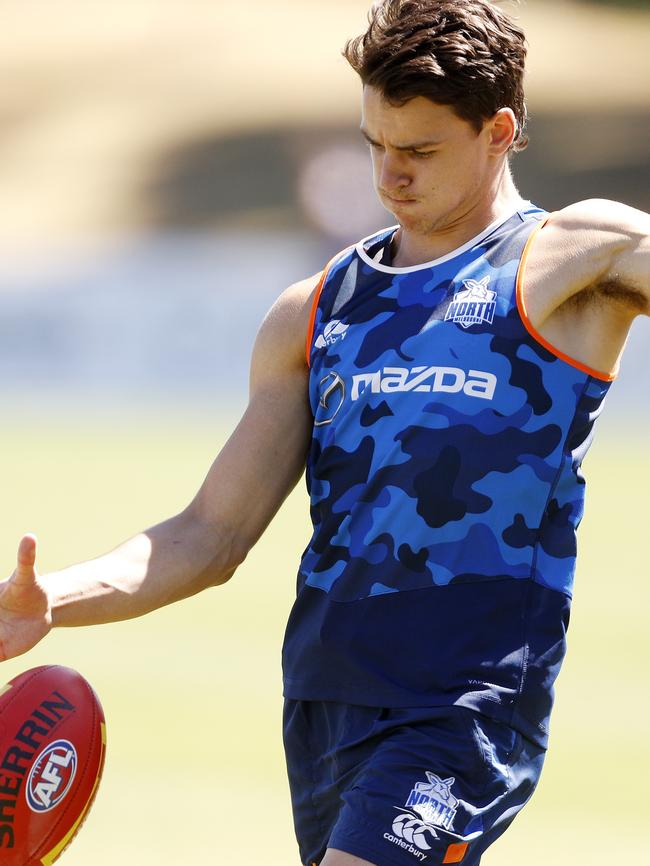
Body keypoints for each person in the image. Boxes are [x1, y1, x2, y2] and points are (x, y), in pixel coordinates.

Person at [1, 1, 648, 864]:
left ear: (499, 131)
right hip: (323, 701)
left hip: (465, 703)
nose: (390, 176)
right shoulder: (314, 311)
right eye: (375, 145)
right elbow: (210, 535)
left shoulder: (578, 259)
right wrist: (57, 602)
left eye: (419, 151)